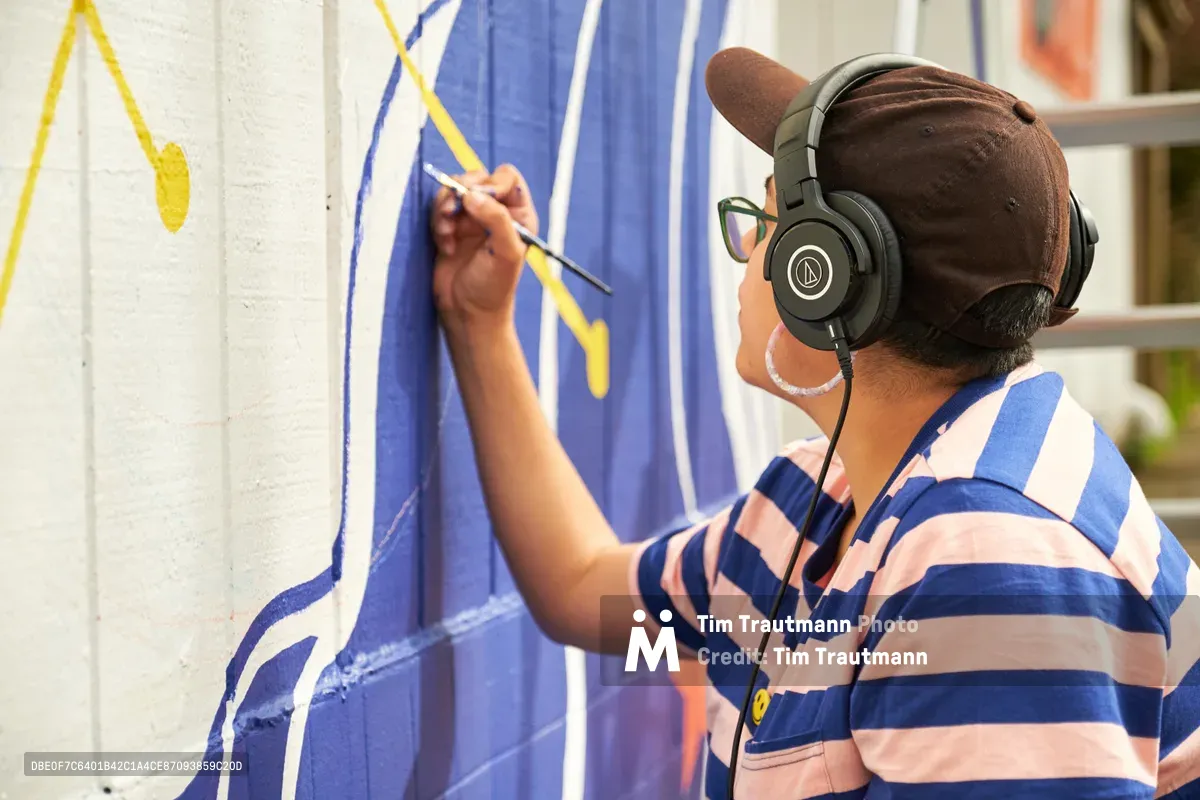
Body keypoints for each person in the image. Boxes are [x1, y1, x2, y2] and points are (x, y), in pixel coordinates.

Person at [428, 47, 1200, 799]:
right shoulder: (816, 496)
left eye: (762, 223)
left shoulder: (990, 563)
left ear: (824, 276)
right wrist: (479, 324)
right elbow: (584, 593)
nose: (744, 254)